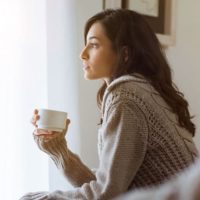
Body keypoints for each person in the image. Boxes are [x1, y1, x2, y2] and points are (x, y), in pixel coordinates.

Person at [20, 8, 198, 200]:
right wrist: (58, 150)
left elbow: (106, 193)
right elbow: (110, 186)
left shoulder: (127, 95)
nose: (83, 54)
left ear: (125, 53)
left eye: (94, 45)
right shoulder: (142, 90)